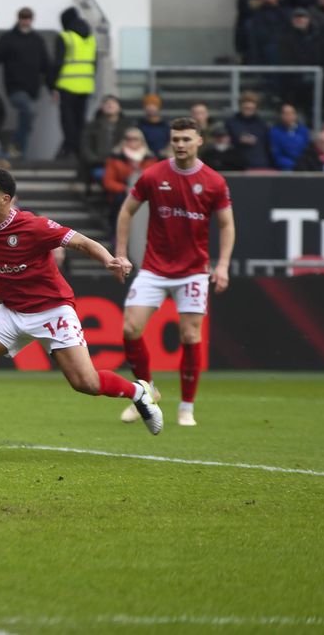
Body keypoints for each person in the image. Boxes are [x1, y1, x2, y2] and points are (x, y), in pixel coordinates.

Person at [0, 168, 158, 458]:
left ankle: (138, 392)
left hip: (52, 311)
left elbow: (81, 241)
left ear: (5, 199)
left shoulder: (35, 226)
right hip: (12, 311)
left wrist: (109, 260)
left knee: (86, 383)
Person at [115, 118, 235, 429]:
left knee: (190, 335)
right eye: (175, 139)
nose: (180, 144)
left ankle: (186, 407)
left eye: (186, 139)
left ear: (199, 141)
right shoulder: (154, 175)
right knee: (130, 330)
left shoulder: (213, 181)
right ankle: (148, 392)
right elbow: (127, 210)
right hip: (154, 268)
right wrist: (121, 253)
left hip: (193, 271)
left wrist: (222, 265)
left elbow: (226, 225)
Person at [0, 7, 53, 159]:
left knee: (27, 120)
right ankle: (14, 145)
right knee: (29, 111)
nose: (25, 20)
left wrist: (53, 88)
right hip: (15, 88)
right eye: (22, 17)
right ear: (18, 19)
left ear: (32, 19)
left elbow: (46, 66)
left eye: (28, 17)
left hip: (33, 89)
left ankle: (19, 153)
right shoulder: (8, 39)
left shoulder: (37, 40)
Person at [53, 7, 96, 158]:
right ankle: (79, 149)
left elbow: (58, 63)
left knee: (67, 120)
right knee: (80, 120)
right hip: (86, 85)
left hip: (67, 84)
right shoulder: (90, 38)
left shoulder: (65, 37)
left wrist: (52, 85)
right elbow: (94, 63)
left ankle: (71, 147)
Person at [268, 103, 311, 171]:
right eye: (285, 113)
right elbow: (276, 154)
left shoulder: (303, 131)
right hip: (284, 169)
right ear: (281, 115)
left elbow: (307, 150)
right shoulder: (275, 132)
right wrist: (293, 165)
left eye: (291, 113)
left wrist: (302, 164)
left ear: (295, 115)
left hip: (303, 167)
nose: (289, 116)